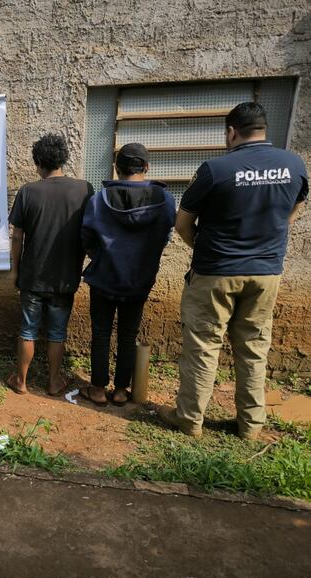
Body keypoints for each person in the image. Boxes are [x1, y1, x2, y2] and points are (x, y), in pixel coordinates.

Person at [160, 102, 308, 439]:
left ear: (231, 132)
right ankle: (251, 425)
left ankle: (190, 418)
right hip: (266, 272)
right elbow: (292, 212)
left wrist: (207, 247)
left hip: (215, 272)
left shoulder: (216, 169)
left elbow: (183, 224)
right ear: (264, 128)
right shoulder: (294, 165)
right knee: (254, 348)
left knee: (203, 345)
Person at [80, 143, 175, 406]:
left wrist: (100, 257)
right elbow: (165, 235)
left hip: (104, 278)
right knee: (128, 334)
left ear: (117, 169)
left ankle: (98, 389)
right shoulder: (165, 200)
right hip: (139, 280)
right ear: (145, 168)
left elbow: (86, 236)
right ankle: (121, 390)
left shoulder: (100, 199)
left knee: (100, 332)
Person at [7, 133, 94, 396]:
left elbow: (18, 237)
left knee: (28, 329)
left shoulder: (28, 192)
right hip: (65, 277)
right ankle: (54, 381)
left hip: (32, 276)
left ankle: (21, 381)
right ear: (62, 159)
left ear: (39, 163)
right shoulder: (84, 190)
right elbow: (90, 232)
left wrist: (14, 271)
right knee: (57, 332)